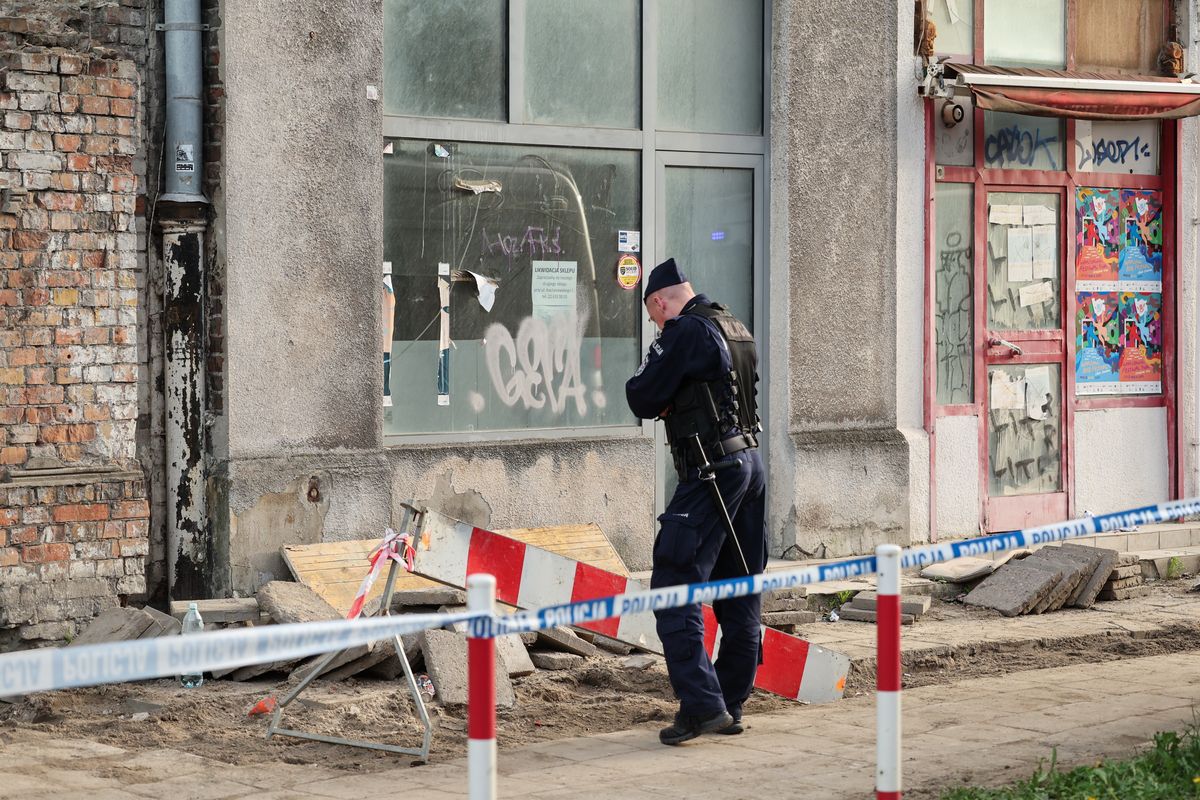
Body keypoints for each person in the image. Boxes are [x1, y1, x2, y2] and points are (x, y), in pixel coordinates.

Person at [625, 257, 767, 746]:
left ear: (660, 301)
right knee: (740, 587)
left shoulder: (684, 330)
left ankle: (703, 707)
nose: (655, 326)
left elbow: (641, 395)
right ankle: (728, 703)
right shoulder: (735, 325)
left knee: (673, 580)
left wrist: (663, 392)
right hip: (749, 466)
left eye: (653, 316)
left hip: (711, 470)